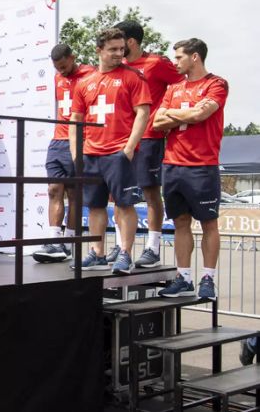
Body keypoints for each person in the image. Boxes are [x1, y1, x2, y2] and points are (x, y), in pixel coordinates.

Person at [69, 27, 152, 274]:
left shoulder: (133, 77)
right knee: (94, 206)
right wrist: (76, 153)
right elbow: (75, 120)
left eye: (121, 49)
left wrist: (128, 149)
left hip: (118, 153)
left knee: (125, 205)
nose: (119, 53)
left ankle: (124, 253)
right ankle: (97, 253)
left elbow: (143, 113)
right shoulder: (85, 83)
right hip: (91, 153)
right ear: (99, 50)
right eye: (113, 49)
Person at [152, 38, 228, 303]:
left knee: (208, 223)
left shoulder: (216, 84)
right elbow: (157, 122)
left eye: (179, 57)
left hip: (202, 165)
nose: (175, 63)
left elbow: (200, 115)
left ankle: (208, 279)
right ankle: (183, 278)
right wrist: (183, 114)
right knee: (180, 223)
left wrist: (175, 115)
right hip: (172, 165)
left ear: (194, 57)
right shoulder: (173, 88)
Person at [111, 20, 184, 267]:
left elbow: (182, 85)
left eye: (121, 42)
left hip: (149, 137)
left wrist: (166, 114)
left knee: (151, 192)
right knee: (119, 194)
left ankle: (152, 249)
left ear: (131, 41)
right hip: (121, 139)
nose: (117, 48)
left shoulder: (156, 63)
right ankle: (122, 247)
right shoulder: (117, 66)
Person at [33, 44, 96, 262]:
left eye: (64, 66)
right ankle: (54, 239)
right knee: (53, 188)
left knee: (74, 192)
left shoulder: (91, 74)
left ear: (73, 58)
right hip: (57, 139)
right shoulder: (57, 78)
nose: (62, 71)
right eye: (57, 68)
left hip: (79, 139)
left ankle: (68, 243)